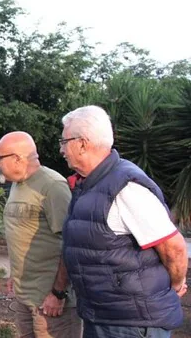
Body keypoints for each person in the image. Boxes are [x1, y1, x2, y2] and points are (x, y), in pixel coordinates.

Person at [59, 105, 188, 338]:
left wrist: (175, 285)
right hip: (104, 318)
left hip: (132, 324)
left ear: (82, 143)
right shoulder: (89, 185)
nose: (62, 149)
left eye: (64, 141)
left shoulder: (126, 188)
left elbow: (174, 248)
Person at [0, 131, 82, 337]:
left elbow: (71, 245)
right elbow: (22, 233)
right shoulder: (17, 185)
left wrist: (58, 293)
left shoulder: (52, 186)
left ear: (17, 158)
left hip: (51, 301)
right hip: (25, 297)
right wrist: (14, 275)